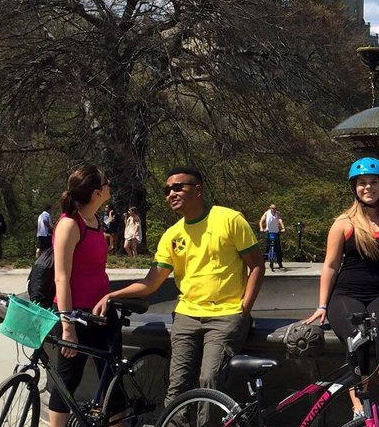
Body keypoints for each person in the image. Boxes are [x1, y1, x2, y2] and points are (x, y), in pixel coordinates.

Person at [94, 166, 264, 405]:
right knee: (177, 386)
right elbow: (151, 282)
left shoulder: (229, 219)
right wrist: (113, 294)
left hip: (226, 315)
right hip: (186, 316)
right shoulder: (172, 235)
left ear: (198, 190)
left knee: (211, 379)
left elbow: (257, 265)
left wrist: (244, 309)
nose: (170, 194)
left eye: (177, 187)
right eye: (167, 190)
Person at [302, 158, 379, 416]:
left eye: (373, 182)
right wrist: (322, 305)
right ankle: (359, 408)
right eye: (362, 183)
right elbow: (330, 266)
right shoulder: (344, 223)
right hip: (346, 295)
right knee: (357, 339)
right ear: (354, 188)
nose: (368, 188)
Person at [47, 165, 115, 427]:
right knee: (66, 379)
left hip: (102, 310)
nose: (109, 185)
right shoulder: (69, 225)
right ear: (96, 191)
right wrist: (67, 324)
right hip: (75, 313)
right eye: (105, 182)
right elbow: (62, 277)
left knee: (112, 372)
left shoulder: (97, 221)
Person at [259, 203, 285, 270]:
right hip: (268, 231)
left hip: (276, 232)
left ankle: (280, 263)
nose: (274, 210)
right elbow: (261, 221)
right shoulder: (266, 213)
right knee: (267, 247)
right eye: (273, 208)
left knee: (278, 247)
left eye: (275, 208)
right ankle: (262, 263)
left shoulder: (277, 213)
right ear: (270, 208)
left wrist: (283, 228)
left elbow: (280, 221)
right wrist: (261, 228)